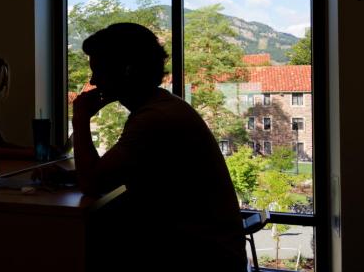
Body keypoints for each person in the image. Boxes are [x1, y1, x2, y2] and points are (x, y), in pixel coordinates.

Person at [71, 23, 245, 271]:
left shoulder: (154, 119)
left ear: (127, 70)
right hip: (206, 250)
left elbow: (92, 184)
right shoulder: (164, 105)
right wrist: (73, 175)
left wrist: (80, 119)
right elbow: (120, 171)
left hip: (198, 256)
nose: (93, 80)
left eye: (99, 70)